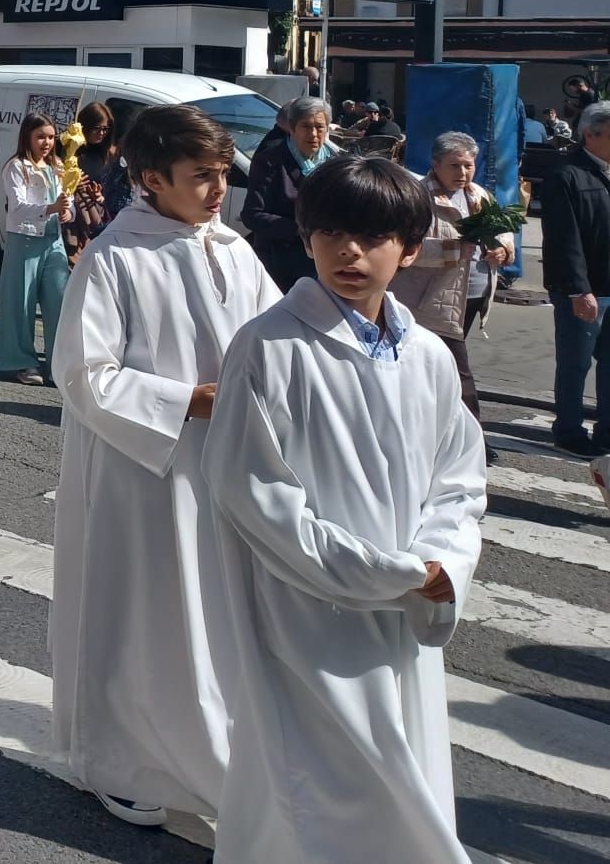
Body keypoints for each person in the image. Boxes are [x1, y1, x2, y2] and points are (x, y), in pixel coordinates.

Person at [202, 156, 485, 863]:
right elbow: (255, 495)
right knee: (319, 790)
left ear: (411, 249)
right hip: (310, 612)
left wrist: (440, 563)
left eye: (371, 235)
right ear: (305, 238)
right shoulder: (268, 348)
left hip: (406, 604)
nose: (348, 252)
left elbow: (459, 479)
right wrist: (380, 572)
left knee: (401, 773)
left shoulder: (428, 358)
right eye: (329, 231)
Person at [50, 105, 281, 828]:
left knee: (210, 614)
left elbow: (277, 336)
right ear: (152, 179)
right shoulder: (116, 256)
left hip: (218, 463)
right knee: (139, 610)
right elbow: (84, 373)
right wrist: (187, 401)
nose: (219, 191)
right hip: (139, 467)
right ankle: (122, 761)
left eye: (222, 175)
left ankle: (208, 754)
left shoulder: (233, 248)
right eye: (202, 177)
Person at [391, 132, 514, 434]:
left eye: (468, 165)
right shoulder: (417, 196)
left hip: (472, 294)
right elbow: (401, 248)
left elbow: (503, 231)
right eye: (454, 165)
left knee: (436, 369)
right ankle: (472, 439)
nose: (462, 173)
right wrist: (456, 249)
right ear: (435, 164)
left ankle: (435, 430)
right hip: (429, 299)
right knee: (458, 372)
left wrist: (503, 249)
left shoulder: (479, 195)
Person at [542, 101, 610, 457]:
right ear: (591, 134)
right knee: (575, 363)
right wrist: (578, 289)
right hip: (584, 290)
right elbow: (564, 240)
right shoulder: (566, 174)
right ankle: (568, 429)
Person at [0, 113, 71, 386]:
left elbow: (67, 201)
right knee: (21, 303)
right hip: (24, 239)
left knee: (59, 301)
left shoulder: (58, 166)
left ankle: (59, 364)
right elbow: (17, 207)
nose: (47, 142)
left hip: (53, 241)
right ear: (27, 136)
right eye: (41, 136)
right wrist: (51, 208)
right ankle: (22, 362)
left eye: (51, 137)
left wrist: (66, 213)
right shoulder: (16, 167)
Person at [242, 94, 334, 291]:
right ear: (291, 129)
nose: (314, 134)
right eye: (306, 126)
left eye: (319, 127)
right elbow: (252, 215)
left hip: (325, 262)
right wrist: (303, 232)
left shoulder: (334, 164)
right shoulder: (270, 161)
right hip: (281, 265)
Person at [63, 101, 132, 255]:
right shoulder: (70, 149)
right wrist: (71, 181)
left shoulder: (112, 154)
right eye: (97, 129)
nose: (102, 133)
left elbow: (120, 191)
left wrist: (101, 195)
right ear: (84, 126)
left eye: (105, 129)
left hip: (101, 217)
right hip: (73, 216)